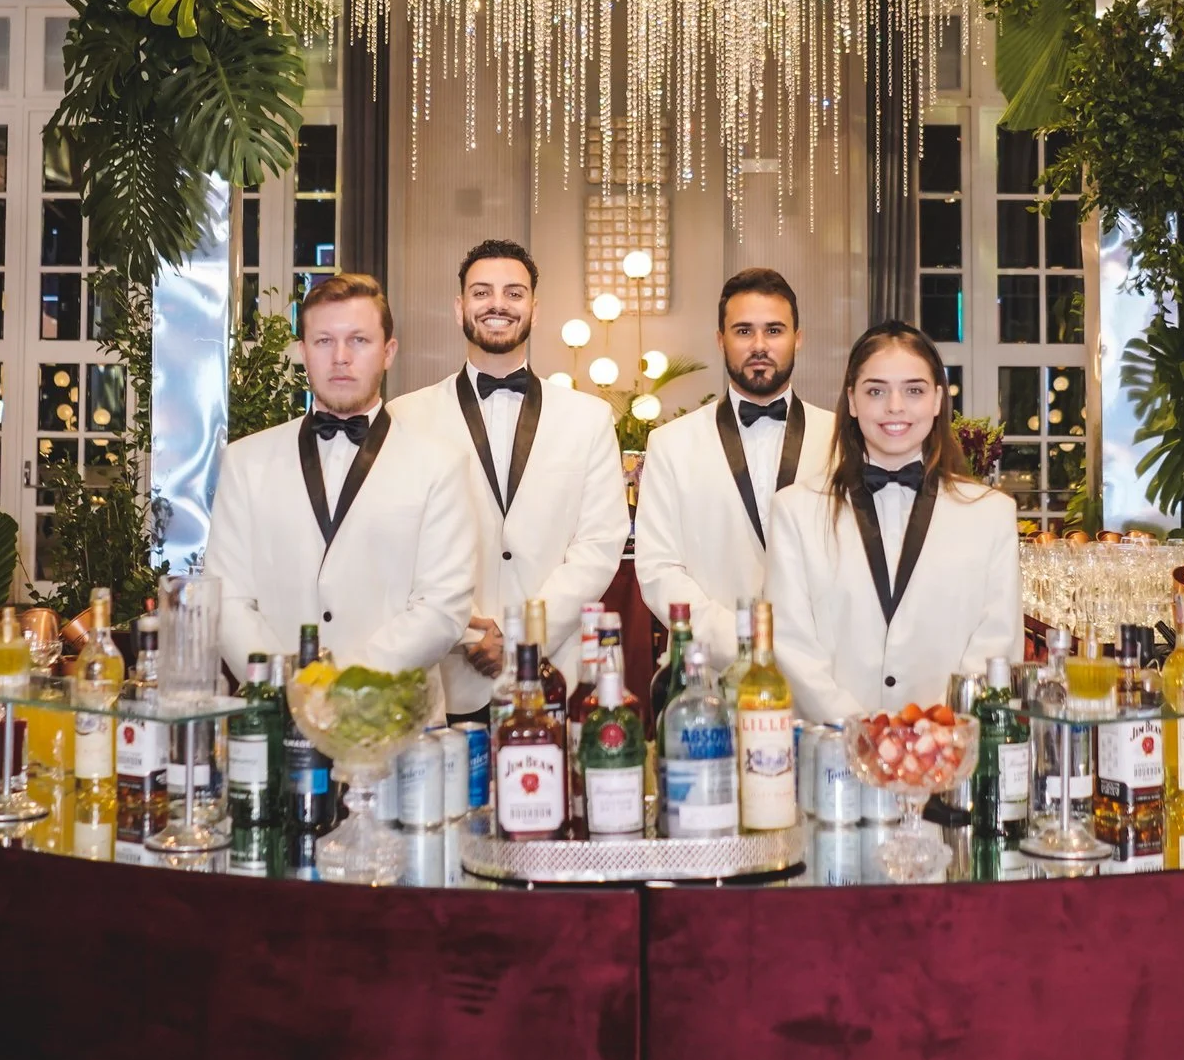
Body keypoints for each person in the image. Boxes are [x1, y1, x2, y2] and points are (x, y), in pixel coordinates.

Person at [206, 272, 481, 712]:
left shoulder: (440, 465)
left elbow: (442, 607)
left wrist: (345, 690)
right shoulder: (245, 462)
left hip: (395, 721)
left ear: (388, 352)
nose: (340, 357)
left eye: (358, 340)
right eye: (323, 341)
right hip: (280, 717)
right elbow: (227, 599)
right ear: (302, 352)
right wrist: (289, 690)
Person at [389, 238, 628, 724]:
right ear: (460, 308)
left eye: (513, 293)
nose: (497, 304)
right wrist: (470, 633)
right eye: (482, 292)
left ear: (534, 310)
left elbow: (600, 543)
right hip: (445, 671)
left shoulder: (590, 418)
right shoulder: (404, 417)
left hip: (550, 670)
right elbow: (400, 546)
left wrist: (521, 635)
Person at [763, 320, 1020, 724]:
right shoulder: (795, 511)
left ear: (937, 399)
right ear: (851, 400)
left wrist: (929, 728)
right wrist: (867, 731)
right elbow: (790, 646)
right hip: (835, 760)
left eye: (914, 390)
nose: (895, 406)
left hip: (946, 757)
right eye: (876, 391)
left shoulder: (991, 513)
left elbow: (998, 645)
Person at [634, 267, 838, 672]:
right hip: (707, 672)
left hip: (821, 669)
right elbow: (658, 570)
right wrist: (741, 640)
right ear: (720, 340)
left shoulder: (842, 441)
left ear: (798, 339)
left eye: (774, 331)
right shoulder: (671, 444)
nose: (759, 345)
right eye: (743, 331)